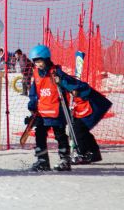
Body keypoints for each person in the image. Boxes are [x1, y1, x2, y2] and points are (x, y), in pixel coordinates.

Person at [27, 44, 88, 172]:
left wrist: (69, 87)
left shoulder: (56, 72)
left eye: (40, 61)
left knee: (59, 135)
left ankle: (64, 159)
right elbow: (34, 92)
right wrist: (32, 105)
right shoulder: (37, 75)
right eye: (36, 62)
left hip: (57, 110)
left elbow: (67, 82)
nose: (38, 64)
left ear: (46, 59)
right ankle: (42, 160)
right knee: (40, 134)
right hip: (43, 111)